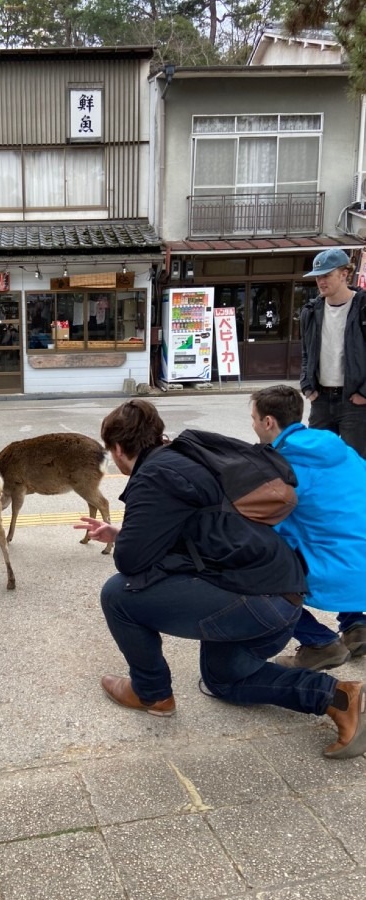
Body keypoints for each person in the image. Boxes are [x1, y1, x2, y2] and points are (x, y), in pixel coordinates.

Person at [75, 399, 366, 760]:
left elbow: (131, 562)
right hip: (284, 596)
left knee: (118, 594)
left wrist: (127, 540)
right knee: (224, 681)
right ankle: (338, 697)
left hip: (255, 600)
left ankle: (151, 693)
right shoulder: (190, 454)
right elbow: (198, 527)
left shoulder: (153, 475)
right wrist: (122, 531)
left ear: (118, 449)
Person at [251, 385, 366, 669]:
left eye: (253, 418)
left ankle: (320, 644)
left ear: (268, 422)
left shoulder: (282, 464)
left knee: (254, 567)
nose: (252, 425)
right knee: (335, 534)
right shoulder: (338, 446)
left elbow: (267, 523)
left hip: (338, 567)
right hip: (359, 557)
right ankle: (357, 625)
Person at [300, 248, 366, 456]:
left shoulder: (362, 307)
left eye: (327, 275)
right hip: (321, 399)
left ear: (344, 274)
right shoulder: (311, 311)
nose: (321, 281)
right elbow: (305, 353)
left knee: (355, 463)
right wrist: (307, 386)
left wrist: (364, 393)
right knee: (317, 460)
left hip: (354, 401)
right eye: (318, 277)